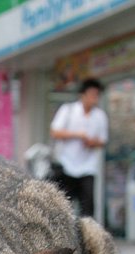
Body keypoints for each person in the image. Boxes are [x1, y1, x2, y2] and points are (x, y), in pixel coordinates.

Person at [50, 78, 108, 217]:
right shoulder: (68, 110)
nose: (94, 98)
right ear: (82, 94)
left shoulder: (100, 116)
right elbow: (55, 132)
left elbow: (103, 141)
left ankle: (86, 237)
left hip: (88, 166)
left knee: (87, 208)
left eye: (97, 95)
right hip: (66, 164)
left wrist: (92, 142)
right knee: (64, 206)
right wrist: (78, 135)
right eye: (92, 94)